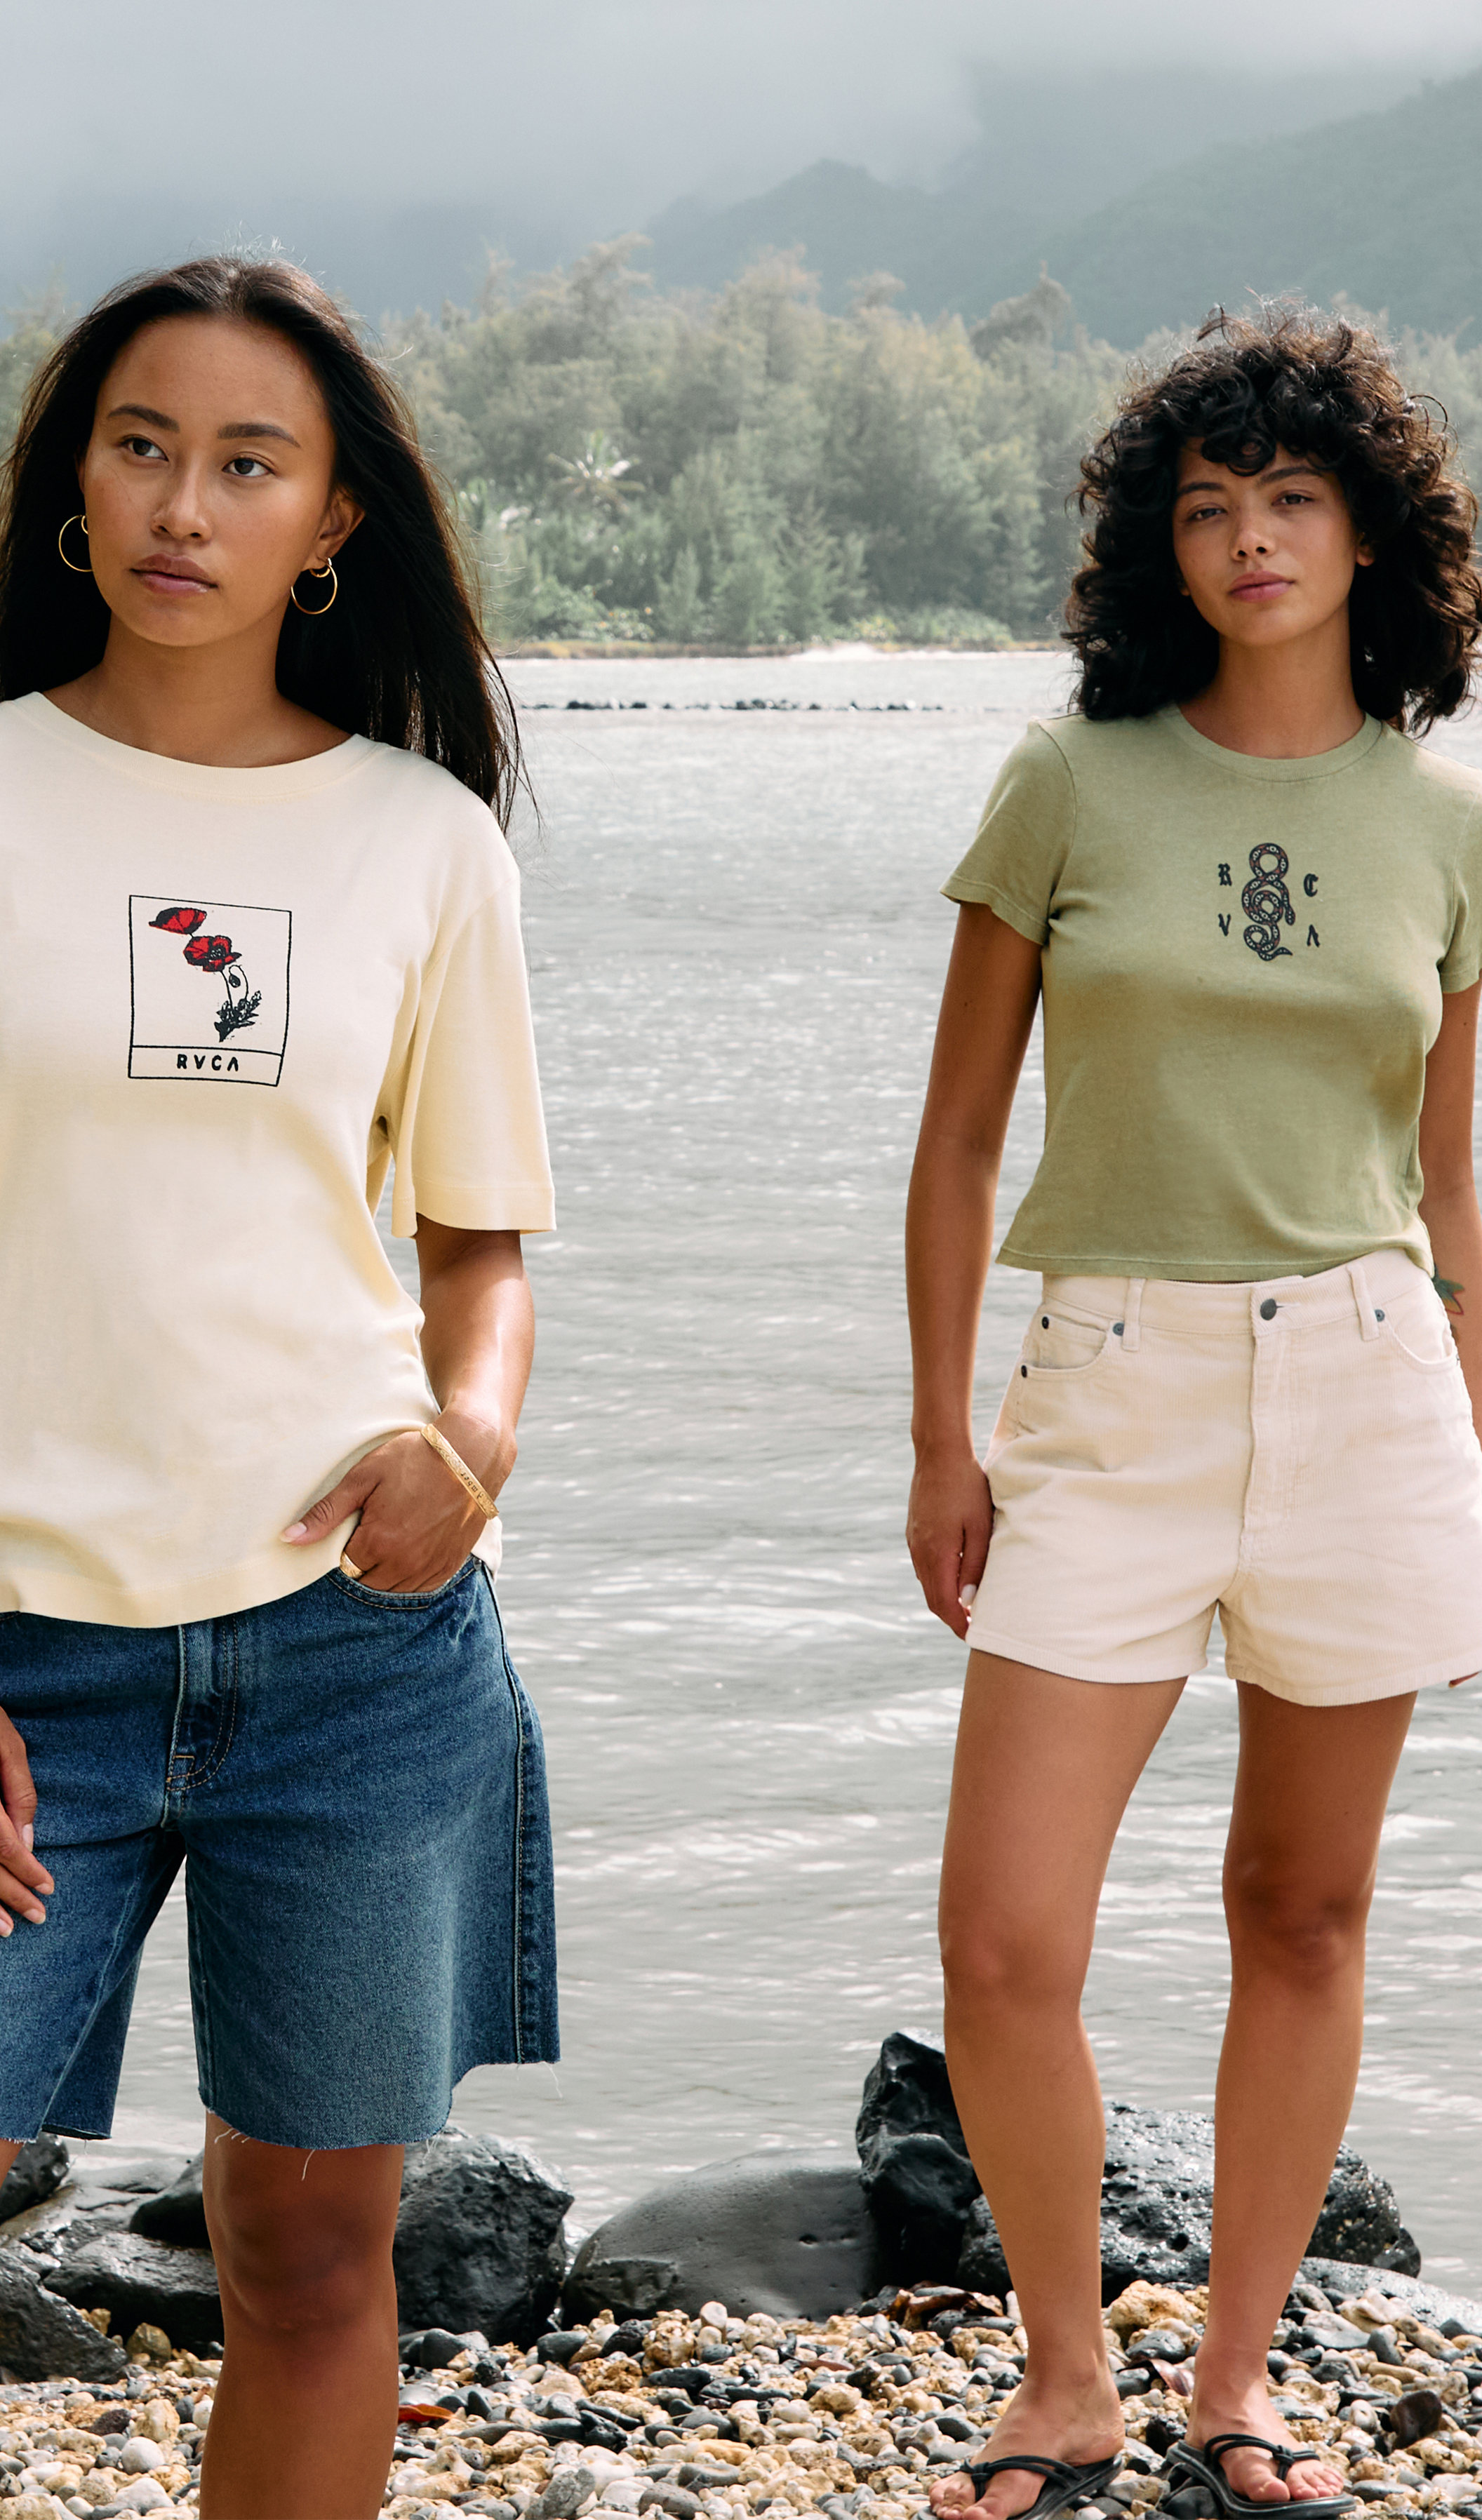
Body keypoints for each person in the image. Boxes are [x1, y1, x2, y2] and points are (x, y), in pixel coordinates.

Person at [0, 253, 558, 2517]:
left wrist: (473, 1443)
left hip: (357, 1659)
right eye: (142, 447)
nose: (184, 504)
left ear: (332, 520)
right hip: (17, 1675)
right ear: (76, 481)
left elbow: (481, 1248)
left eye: (247, 463)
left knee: (311, 2268)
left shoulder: (424, 839)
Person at [904, 308, 1482, 2520]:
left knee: (1303, 1912)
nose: (1251, 538)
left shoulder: (1446, 823)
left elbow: (1453, 1190)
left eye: (1294, 499)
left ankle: (1238, 2382)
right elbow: (962, 1141)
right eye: (1210, 505)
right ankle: (1064, 2379)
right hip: (1108, 1387)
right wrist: (942, 1438)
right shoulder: (1071, 778)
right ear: (1164, 543)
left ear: (1371, 536)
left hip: (1371, 1386)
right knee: (1004, 1940)